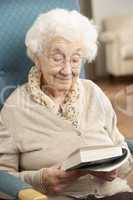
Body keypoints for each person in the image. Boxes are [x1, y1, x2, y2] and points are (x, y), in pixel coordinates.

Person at [0, 9, 132, 200]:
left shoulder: (93, 92)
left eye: (75, 59)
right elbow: (3, 179)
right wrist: (42, 180)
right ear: (37, 58)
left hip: (115, 194)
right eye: (57, 58)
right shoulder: (15, 108)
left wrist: (117, 166)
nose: (67, 70)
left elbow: (121, 149)